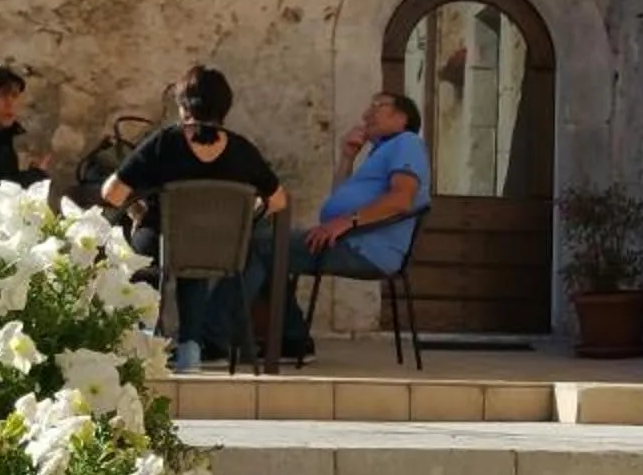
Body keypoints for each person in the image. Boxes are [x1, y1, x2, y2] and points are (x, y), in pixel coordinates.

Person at [102, 66, 287, 373]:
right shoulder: (242, 150)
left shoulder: (165, 142)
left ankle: (142, 341)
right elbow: (278, 200)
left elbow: (112, 193)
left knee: (140, 251)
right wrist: (245, 220)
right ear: (224, 107)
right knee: (197, 254)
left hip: (161, 245)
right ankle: (190, 350)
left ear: (184, 105)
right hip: (218, 248)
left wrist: (140, 208)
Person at [281, 90, 430, 353]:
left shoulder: (407, 142)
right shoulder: (380, 153)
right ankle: (289, 339)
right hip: (346, 242)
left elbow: (401, 198)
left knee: (261, 247)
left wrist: (345, 222)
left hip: (364, 250)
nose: (366, 114)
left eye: (377, 106)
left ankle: (215, 338)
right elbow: (339, 197)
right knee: (265, 246)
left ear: (401, 118)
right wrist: (348, 156)